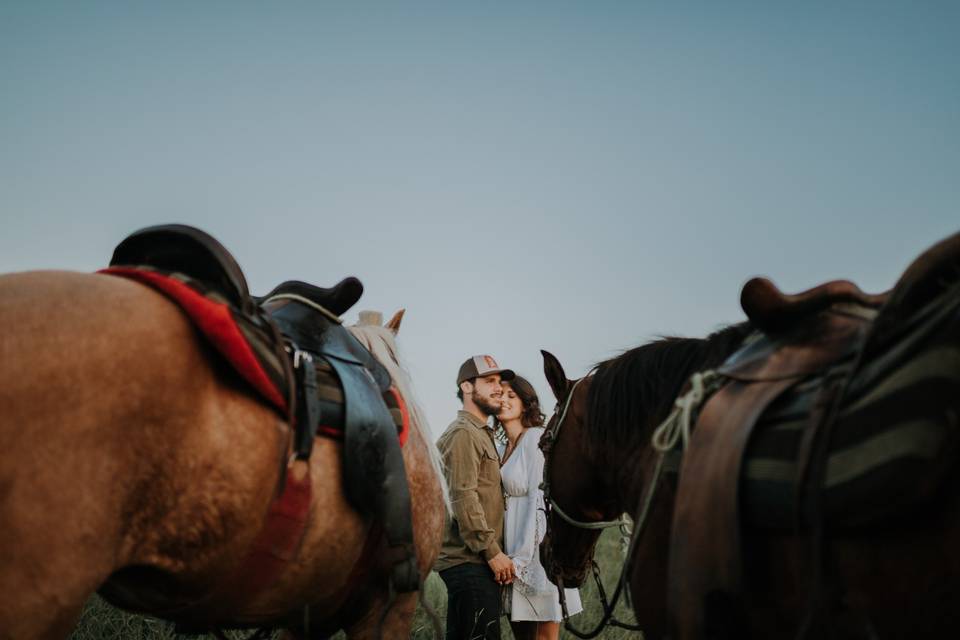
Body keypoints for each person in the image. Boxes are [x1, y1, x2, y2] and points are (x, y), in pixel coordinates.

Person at [436, 355, 517, 640]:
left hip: (474, 562)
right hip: (469, 561)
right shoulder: (464, 434)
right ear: (467, 387)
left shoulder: (481, 433)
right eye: (489, 381)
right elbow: (463, 497)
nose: (498, 388)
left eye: (500, 381)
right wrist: (492, 552)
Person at [497, 375, 582, 640]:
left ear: (526, 403)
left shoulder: (534, 439)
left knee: (544, 637)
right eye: (500, 395)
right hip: (510, 548)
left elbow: (538, 502)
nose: (504, 400)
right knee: (522, 635)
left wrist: (521, 561)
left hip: (534, 554)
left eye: (512, 396)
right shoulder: (500, 447)